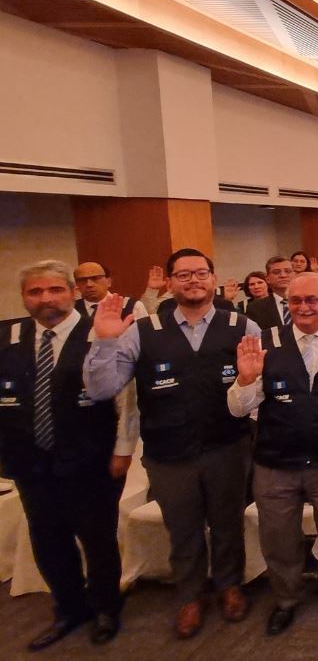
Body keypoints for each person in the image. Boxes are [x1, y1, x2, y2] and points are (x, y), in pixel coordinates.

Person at [84, 248, 260, 639]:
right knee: (182, 528)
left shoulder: (242, 326)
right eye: (183, 275)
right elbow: (102, 389)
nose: (193, 280)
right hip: (168, 453)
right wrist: (104, 341)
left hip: (228, 447)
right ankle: (190, 596)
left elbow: (256, 393)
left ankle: (230, 585)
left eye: (201, 273)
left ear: (214, 279)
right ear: (169, 282)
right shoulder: (142, 331)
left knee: (228, 523)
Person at [227, 272, 318, 635]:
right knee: (277, 533)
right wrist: (246, 380)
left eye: (312, 300)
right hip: (276, 460)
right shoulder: (264, 341)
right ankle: (287, 597)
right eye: (296, 301)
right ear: (286, 304)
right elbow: (237, 408)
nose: (304, 307)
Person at [1, 261, 130, 650]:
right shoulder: (8, 336)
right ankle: (69, 607)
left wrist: (123, 450)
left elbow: (127, 400)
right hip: (31, 462)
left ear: (72, 292)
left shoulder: (101, 331)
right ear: (24, 297)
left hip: (90, 459)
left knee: (98, 538)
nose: (46, 299)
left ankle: (106, 606)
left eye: (55, 290)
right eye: (35, 292)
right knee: (48, 539)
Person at [72, 262, 147, 322]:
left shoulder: (133, 306)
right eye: (82, 280)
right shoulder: (71, 309)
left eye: (95, 278)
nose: (89, 284)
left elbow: (145, 337)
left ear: (109, 282)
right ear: (76, 285)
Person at [246, 256, 296, 330]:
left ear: (295, 275)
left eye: (288, 271)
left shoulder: (309, 302)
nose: (283, 275)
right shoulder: (256, 308)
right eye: (276, 272)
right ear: (267, 279)